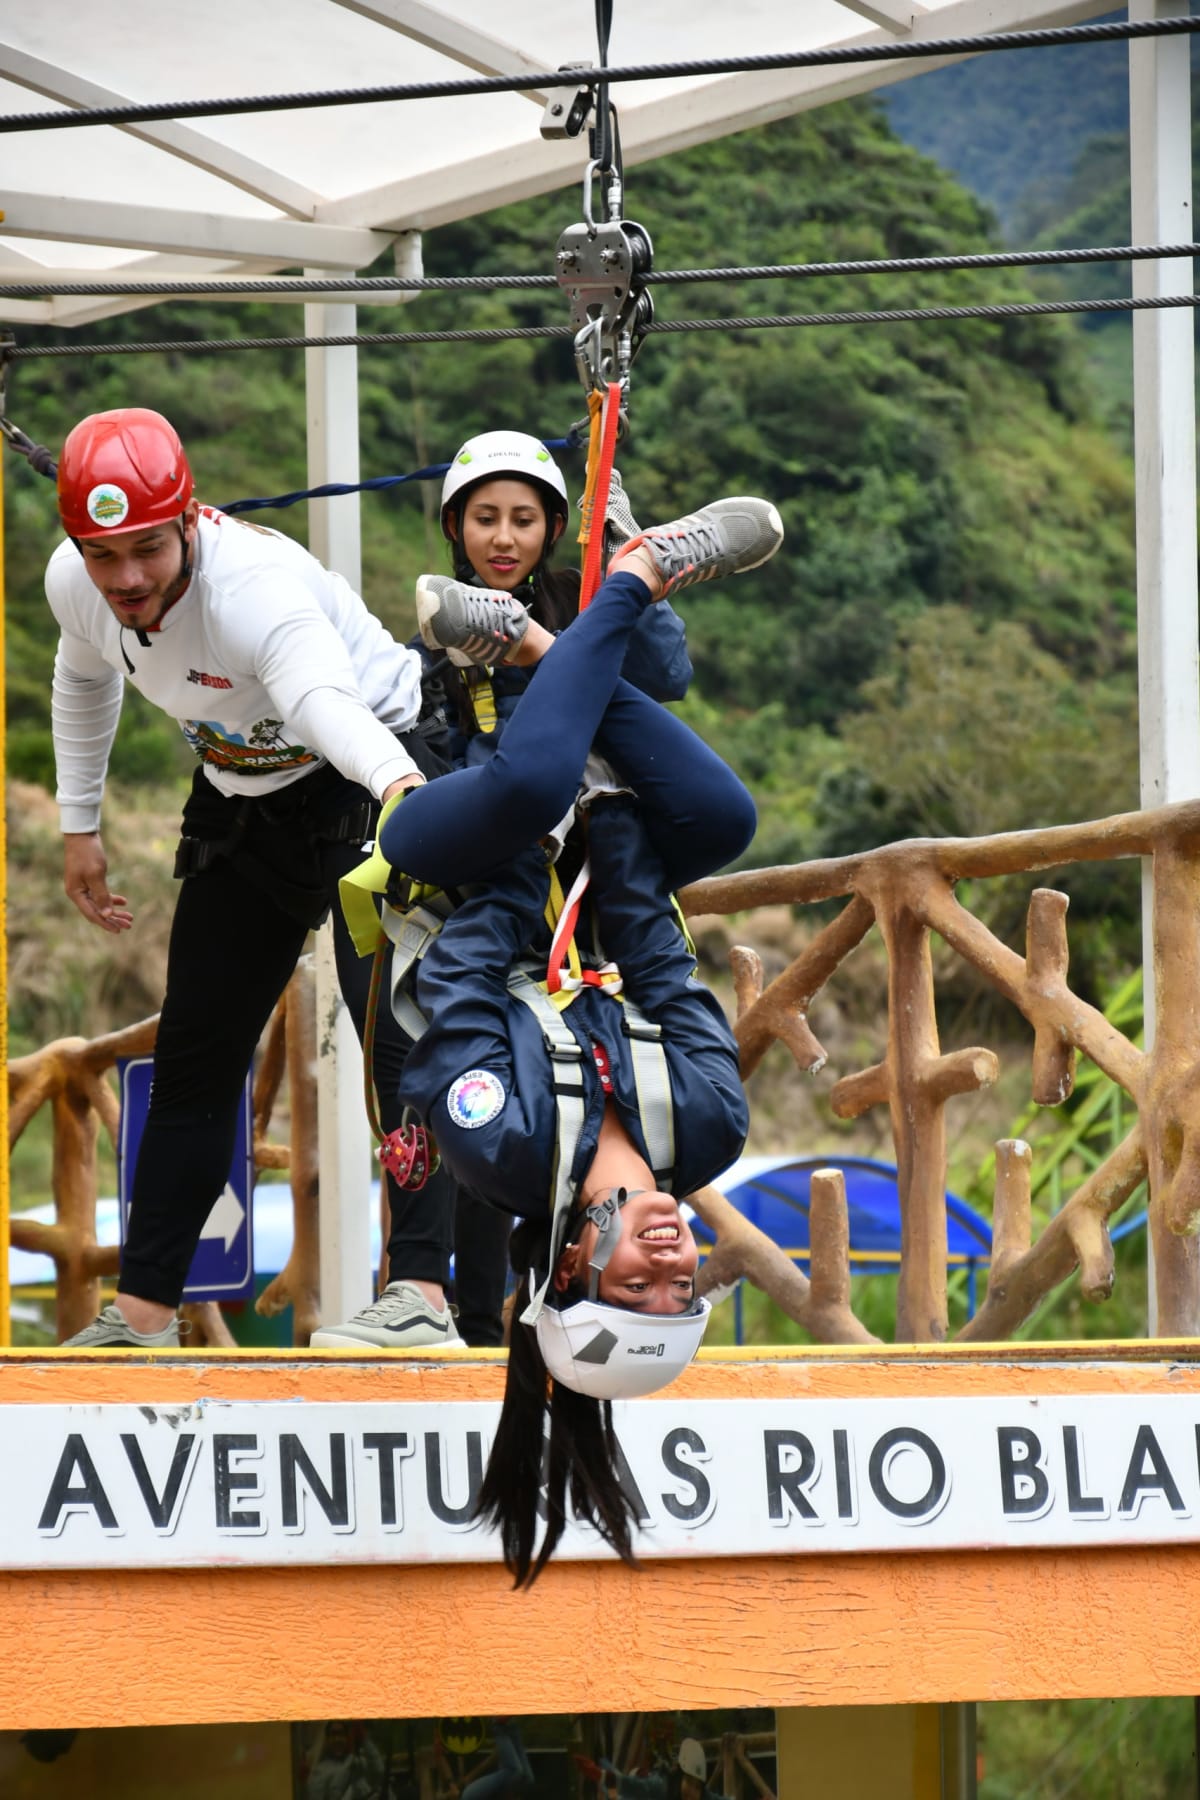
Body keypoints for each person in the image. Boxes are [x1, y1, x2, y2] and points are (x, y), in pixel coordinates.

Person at [319, 491, 783, 1582]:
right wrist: (611, 820)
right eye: (684, 1293)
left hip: (456, 861)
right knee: (723, 819)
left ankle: (628, 579)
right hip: (579, 868)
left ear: (570, 1265)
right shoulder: (708, 1127)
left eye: (637, 1286)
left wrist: (546, 836)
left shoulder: (504, 1145)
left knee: (528, 780)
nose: (675, 1264)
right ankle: (532, 639)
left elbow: (466, 972)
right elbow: (663, 963)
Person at [46, 407, 444, 1348]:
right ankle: (143, 1313)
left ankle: (422, 1296)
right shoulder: (78, 583)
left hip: (374, 770)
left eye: (147, 549)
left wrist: (403, 788)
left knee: (402, 1037)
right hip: (243, 800)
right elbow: (83, 677)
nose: (128, 580)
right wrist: (78, 826)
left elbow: (318, 701)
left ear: (191, 520)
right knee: (195, 1055)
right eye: (105, 557)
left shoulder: (254, 591)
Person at [316, 430, 693, 1351]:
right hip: (469, 873)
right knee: (420, 1058)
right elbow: (415, 739)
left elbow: (669, 677)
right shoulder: (436, 639)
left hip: (563, 890)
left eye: (524, 519)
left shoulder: (589, 619)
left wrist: (627, 562)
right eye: (486, 518)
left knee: (520, 1082)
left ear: (554, 530)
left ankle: (489, 1313)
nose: (504, 536)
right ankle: (420, 1288)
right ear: (456, 526)